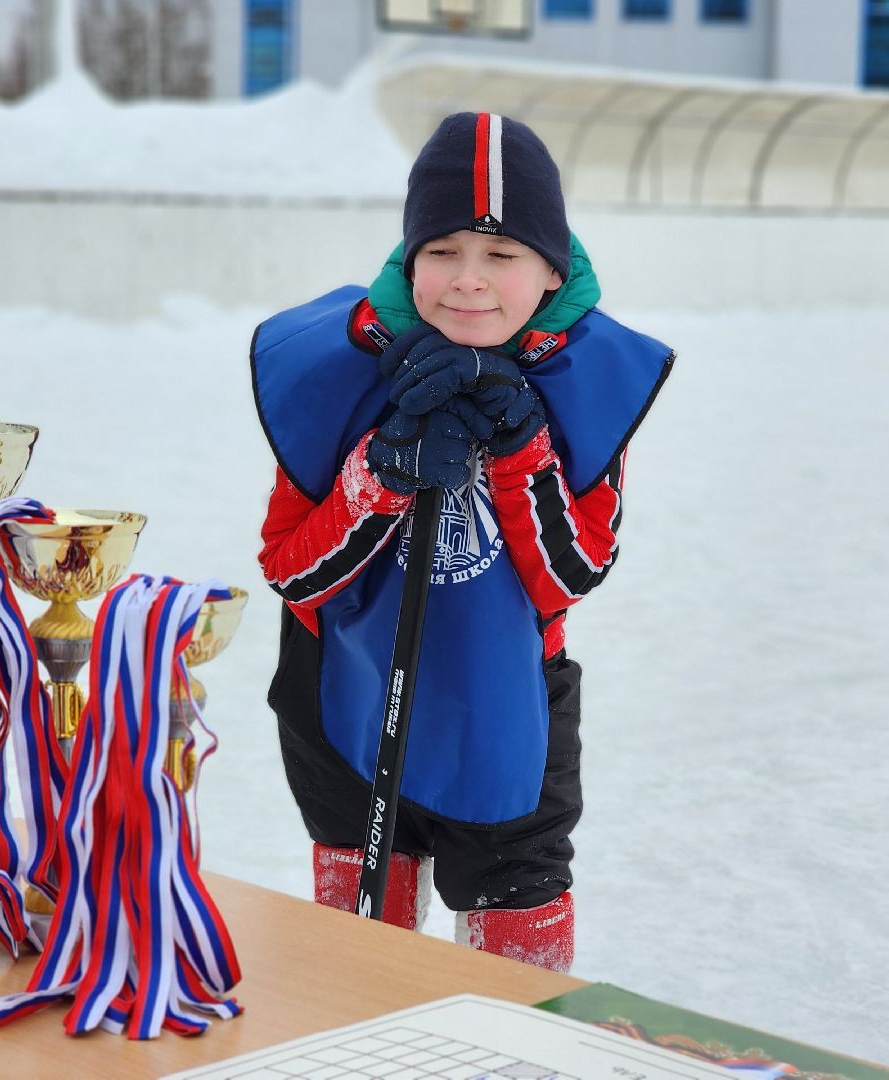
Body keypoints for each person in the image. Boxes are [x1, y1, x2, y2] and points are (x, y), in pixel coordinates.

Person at [250, 112, 672, 972]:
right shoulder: (343, 364)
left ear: (551, 269)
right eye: (442, 249)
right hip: (347, 695)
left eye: (503, 255)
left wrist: (522, 447)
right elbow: (292, 571)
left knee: (515, 972)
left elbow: (572, 572)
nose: (468, 282)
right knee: (359, 971)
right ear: (410, 257)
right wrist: (383, 472)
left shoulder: (579, 378)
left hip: (505, 701)